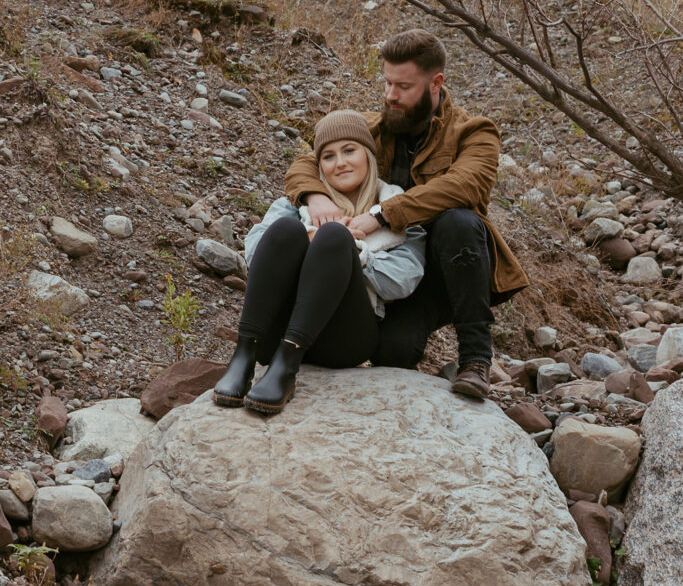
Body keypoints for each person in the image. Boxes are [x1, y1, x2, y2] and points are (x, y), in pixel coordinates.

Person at [285, 29, 529, 400]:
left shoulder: (474, 132)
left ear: (436, 83)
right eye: (387, 83)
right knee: (391, 354)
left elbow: (465, 186)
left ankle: (475, 360)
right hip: (389, 262)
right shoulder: (370, 128)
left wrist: (382, 214)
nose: (390, 96)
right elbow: (304, 163)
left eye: (403, 86)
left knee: (459, 221)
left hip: (446, 272)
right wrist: (315, 196)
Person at [213, 110, 426, 415]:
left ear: (368, 155)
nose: (340, 162)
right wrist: (307, 239)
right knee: (288, 229)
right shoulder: (296, 201)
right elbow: (256, 254)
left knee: (335, 238)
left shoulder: (399, 210)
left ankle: (287, 367)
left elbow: (404, 280)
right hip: (277, 330)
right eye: (328, 156)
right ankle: (244, 355)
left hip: (346, 339)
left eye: (349, 151)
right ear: (319, 165)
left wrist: (355, 252)